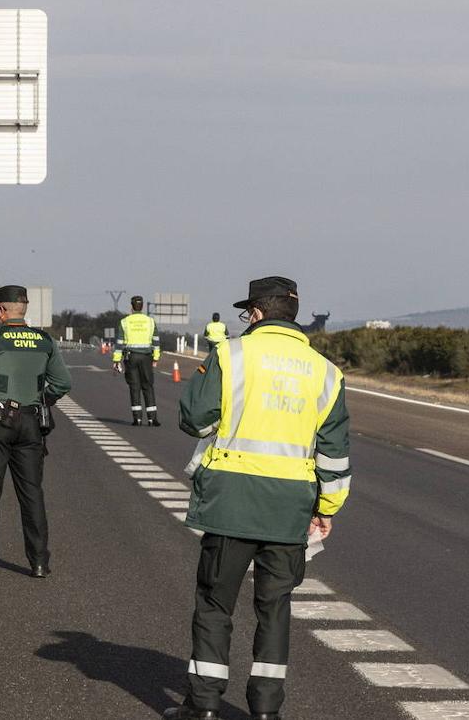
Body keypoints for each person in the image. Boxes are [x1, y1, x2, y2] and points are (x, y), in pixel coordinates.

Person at [164, 276, 351, 720]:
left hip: (232, 501)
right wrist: (327, 509)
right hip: (291, 508)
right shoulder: (326, 371)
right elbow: (335, 453)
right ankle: (266, 710)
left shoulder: (230, 354)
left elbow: (194, 419)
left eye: (247, 313)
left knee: (214, 603)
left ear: (258, 313)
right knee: (275, 608)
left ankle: (204, 705)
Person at [0, 285, 72, 580]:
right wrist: (42, 399)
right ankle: (39, 562)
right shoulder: (44, 341)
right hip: (31, 423)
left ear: (1, 310)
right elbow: (63, 382)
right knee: (31, 493)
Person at [112, 295, 161, 426]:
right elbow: (156, 341)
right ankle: (152, 419)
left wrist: (117, 361)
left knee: (134, 387)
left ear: (131, 307)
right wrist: (156, 357)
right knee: (148, 386)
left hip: (131, 357)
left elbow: (119, 343)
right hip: (146, 357)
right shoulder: (150, 321)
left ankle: (137, 419)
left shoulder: (125, 322)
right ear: (143, 306)